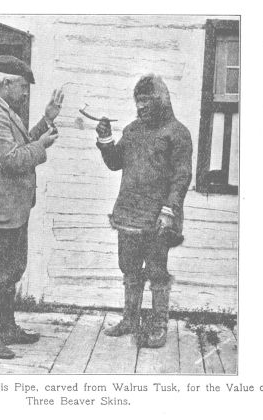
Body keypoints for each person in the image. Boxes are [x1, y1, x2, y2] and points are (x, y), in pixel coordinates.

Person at [0, 55, 64, 359]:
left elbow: (21, 146)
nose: (25, 93)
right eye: (22, 86)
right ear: (6, 82)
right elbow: (12, 160)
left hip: (12, 210)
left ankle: (8, 328)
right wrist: (44, 146)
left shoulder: (4, 110)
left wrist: (47, 120)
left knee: (11, 269)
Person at [95, 74, 192, 348]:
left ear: (161, 101)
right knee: (129, 268)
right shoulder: (132, 130)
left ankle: (159, 325)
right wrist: (105, 139)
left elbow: (182, 177)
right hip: (128, 214)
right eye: (138, 101)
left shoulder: (177, 132)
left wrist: (168, 211)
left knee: (157, 271)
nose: (141, 106)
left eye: (147, 100)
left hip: (158, 217)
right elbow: (115, 162)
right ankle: (130, 319)